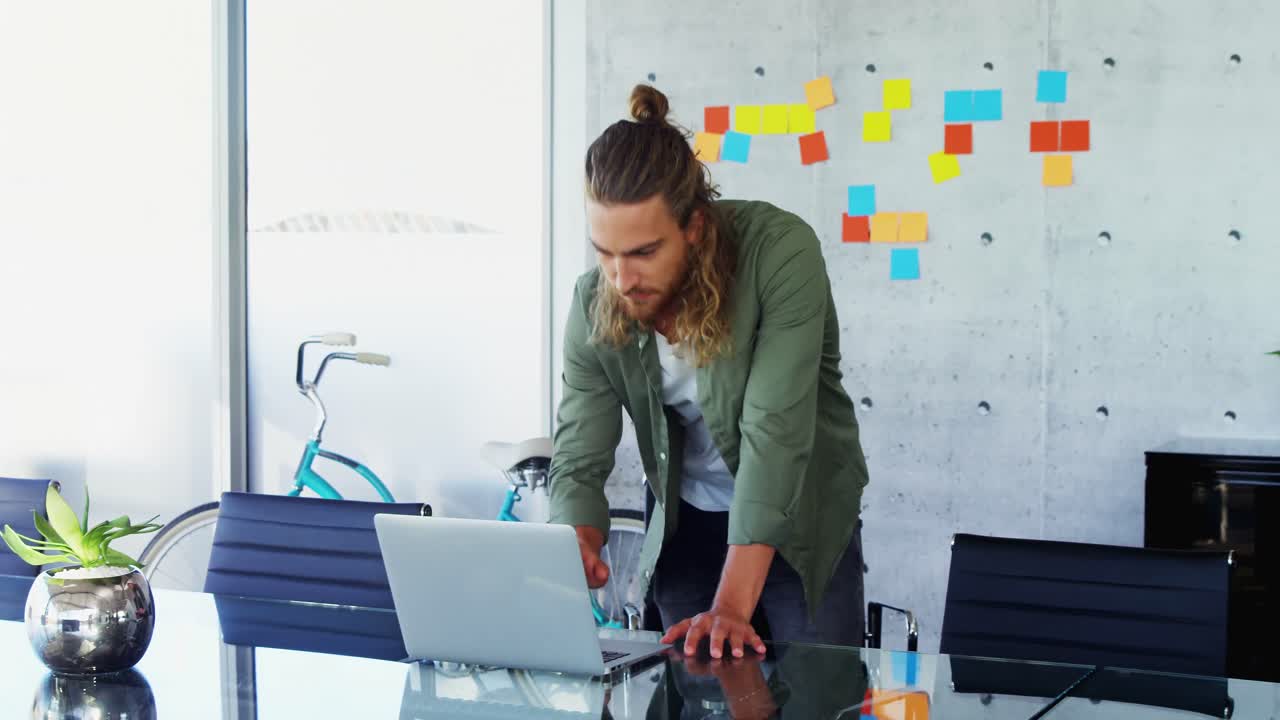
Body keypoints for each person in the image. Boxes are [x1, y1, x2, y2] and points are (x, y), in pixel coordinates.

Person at [549, 84, 870, 660]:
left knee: (818, 689)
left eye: (644, 252)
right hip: (687, 518)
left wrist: (730, 606)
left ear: (694, 227)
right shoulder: (593, 300)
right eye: (605, 252)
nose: (621, 279)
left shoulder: (779, 254)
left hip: (801, 514)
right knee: (691, 685)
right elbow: (579, 453)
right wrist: (577, 538)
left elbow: (775, 434)